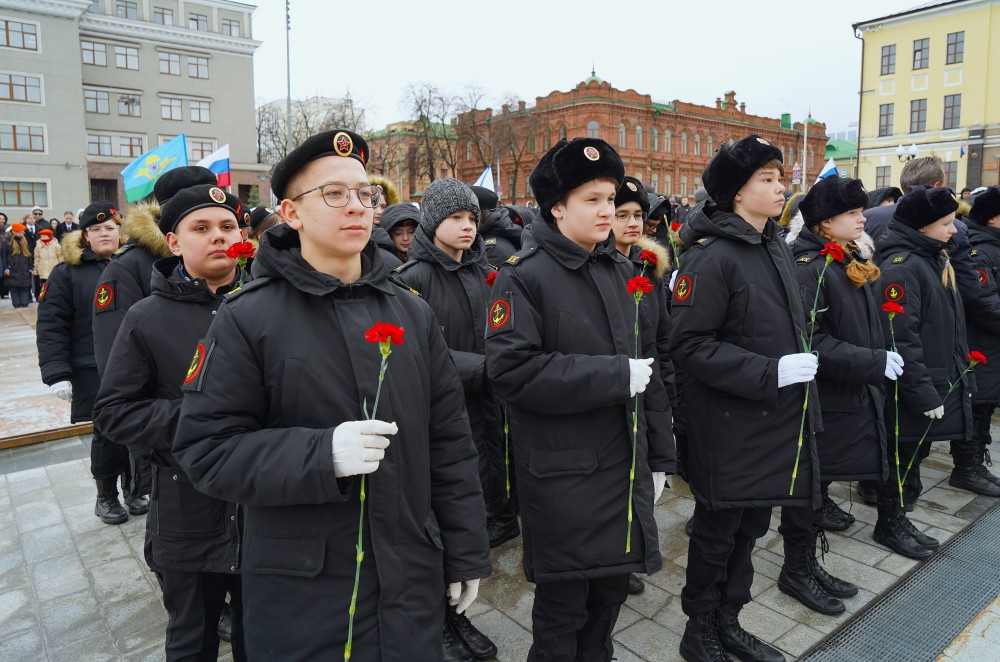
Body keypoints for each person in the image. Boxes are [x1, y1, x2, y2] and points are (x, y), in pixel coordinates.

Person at [171, 129, 491, 660]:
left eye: (365, 193)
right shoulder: (248, 318)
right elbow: (206, 450)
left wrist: (465, 550)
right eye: (334, 193)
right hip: (305, 593)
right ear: (291, 213)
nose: (358, 207)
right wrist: (322, 454)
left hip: (409, 578)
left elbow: (451, 443)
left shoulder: (412, 312)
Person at [485, 138, 668, 661]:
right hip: (563, 476)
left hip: (623, 465)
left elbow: (649, 366)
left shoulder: (622, 271)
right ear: (557, 208)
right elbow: (511, 371)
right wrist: (611, 375)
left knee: (609, 596)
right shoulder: (523, 276)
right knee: (563, 608)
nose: (608, 210)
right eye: (592, 199)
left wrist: (660, 455)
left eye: (610, 198)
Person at [670, 135, 818, 662]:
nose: (781, 188)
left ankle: (729, 620)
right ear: (736, 192)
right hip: (728, 425)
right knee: (718, 533)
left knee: (752, 527)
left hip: (772, 418)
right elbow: (689, 344)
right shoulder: (711, 258)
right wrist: (770, 371)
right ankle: (699, 630)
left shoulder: (772, 245)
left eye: (780, 178)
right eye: (767, 179)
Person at [94, 184, 249, 662]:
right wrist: (199, 416)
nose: (218, 236)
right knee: (192, 635)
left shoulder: (269, 304)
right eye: (201, 228)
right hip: (187, 503)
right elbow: (114, 411)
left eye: (227, 226)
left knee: (264, 633)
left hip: (261, 499)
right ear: (174, 242)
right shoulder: (147, 316)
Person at [392, 178, 502, 662]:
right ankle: (436, 620)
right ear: (433, 221)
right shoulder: (411, 278)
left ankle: (456, 614)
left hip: (484, 411)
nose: (466, 226)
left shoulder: (485, 271)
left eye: (472, 218)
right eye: (456, 218)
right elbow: (419, 354)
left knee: (467, 510)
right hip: (438, 411)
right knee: (435, 519)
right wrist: (488, 370)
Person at [784, 176, 895, 610]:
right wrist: (871, 361)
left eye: (860, 211)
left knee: (820, 485)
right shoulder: (810, 267)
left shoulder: (847, 256)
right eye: (852, 212)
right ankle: (796, 569)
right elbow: (811, 340)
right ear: (826, 223)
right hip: (822, 398)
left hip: (847, 394)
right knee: (808, 489)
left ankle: (808, 564)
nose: (862, 218)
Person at [91, 166, 219, 515]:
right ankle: (113, 492)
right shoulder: (130, 265)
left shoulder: (232, 260)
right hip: (161, 408)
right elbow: (115, 350)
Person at [874, 186, 981, 560]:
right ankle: (889, 522)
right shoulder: (903, 267)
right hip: (910, 388)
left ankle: (899, 517)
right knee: (901, 455)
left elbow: (948, 327)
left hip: (933, 380)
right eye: (946, 223)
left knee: (913, 454)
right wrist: (922, 392)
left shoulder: (932, 257)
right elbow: (900, 339)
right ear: (922, 226)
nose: (954, 230)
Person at [36, 202, 132, 523]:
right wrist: (56, 373)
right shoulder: (67, 273)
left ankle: (135, 488)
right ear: (85, 236)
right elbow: (51, 325)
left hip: (133, 362)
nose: (104, 234)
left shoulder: (132, 265)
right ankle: (106, 496)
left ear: (120, 233)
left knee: (138, 426)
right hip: (92, 365)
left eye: (110, 228)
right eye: (96, 229)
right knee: (107, 432)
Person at [613, 176, 678, 597]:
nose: (633, 223)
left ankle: (629, 555)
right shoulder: (601, 269)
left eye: (638, 215)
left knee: (648, 481)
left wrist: (668, 401)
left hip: (650, 391)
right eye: (623, 214)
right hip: (616, 393)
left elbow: (662, 341)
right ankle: (615, 561)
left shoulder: (649, 266)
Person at [960, 187, 1000, 492]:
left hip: (991, 343)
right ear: (993, 218)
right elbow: (981, 301)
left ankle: (975, 462)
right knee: (976, 405)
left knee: (985, 405)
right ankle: (966, 468)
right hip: (980, 343)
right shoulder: (980, 251)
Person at [2, 223, 34, 307]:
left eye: (22, 232)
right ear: (14, 232)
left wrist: (31, 267)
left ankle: (24, 305)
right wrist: (5, 267)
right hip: (12, 269)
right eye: (20, 232)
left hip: (24, 269)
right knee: (14, 289)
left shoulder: (24, 241)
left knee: (25, 288)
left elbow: (28, 255)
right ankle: (17, 306)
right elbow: (3, 256)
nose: (22, 233)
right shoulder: (6, 242)